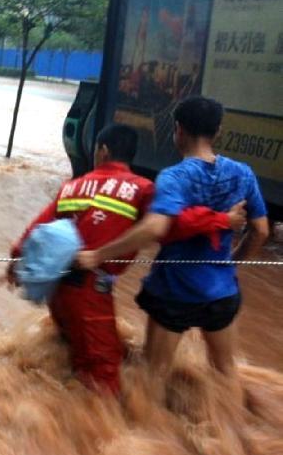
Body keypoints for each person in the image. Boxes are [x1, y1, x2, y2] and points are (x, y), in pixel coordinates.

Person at [4, 124, 244, 397]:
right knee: (105, 375)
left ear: (103, 151)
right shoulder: (143, 189)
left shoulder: (73, 186)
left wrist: (14, 263)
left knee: (76, 350)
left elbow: (36, 230)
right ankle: (92, 429)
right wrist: (223, 219)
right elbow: (176, 223)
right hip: (89, 291)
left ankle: (54, 406)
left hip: (56, 289)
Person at [78, 97, 270, 386]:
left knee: (152, 376)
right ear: (217, 131)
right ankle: (231, 430)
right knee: (225, 373)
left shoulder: (174, 177)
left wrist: (97, 255)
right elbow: (261, 231)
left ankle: (148, 431)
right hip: (222, 293)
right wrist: (231, 265)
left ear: (178, 130)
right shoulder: (242, 173)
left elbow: (155, 228)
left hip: (174, 293)